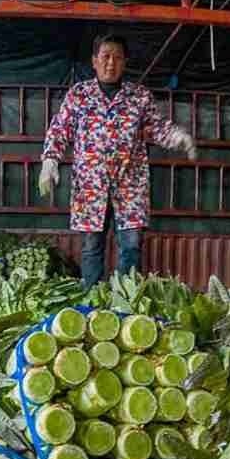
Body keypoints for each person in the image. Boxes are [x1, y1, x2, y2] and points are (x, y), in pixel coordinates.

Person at [40, 32, 196, 288]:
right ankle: (90, 302)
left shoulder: (139, 97)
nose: (110, 63)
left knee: (132, 246)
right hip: (90, 187)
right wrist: (50, 161)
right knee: (91, 247)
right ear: (94, 61)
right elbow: (59, 130)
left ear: (125, 62)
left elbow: (157, 127)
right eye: (105, 57)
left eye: (117, 57)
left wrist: (178, 136)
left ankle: (126, 303)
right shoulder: (78, 95)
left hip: (130, 185)